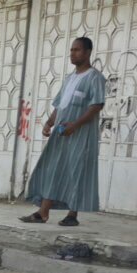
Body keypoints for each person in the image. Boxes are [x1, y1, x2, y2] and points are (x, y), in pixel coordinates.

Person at [22, 37, 106, 227]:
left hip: (81, 135)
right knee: (52, 169)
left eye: (77, 50)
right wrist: (49, 123)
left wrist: (75, 125)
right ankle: (43, 213)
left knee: (76, 172)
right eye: (71, 50)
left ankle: (72, 215)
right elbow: (60, 105)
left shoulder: (95, 77)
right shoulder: (70, 78)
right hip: (61, 134)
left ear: (87, 52)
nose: (72, 53)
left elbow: (97, 105)